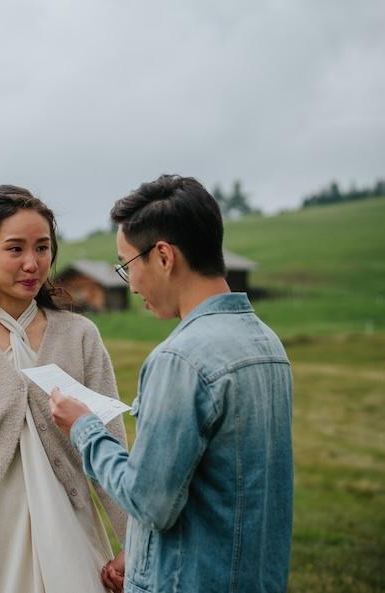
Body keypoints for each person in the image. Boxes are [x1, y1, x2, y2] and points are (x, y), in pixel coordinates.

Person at [50, 175, 294, 593]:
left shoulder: (180, 359)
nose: (132, 283)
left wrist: (85, 429)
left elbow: (149, 501)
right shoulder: (267, 344)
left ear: (163, 256)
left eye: (127, 265)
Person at [0, 185, 128, 593]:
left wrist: (134, 542)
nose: (32, 263)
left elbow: (110, 450)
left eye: (43, 248)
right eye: (15, 249)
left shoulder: (80, 335)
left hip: (72, 534)